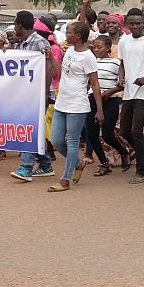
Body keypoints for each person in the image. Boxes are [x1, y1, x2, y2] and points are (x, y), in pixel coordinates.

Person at [46, 21, 104, 192]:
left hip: (77, 104)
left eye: (69, 32)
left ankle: (65, 179)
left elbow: (95, 84)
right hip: (62, 102)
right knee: (56, 140)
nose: (67, 34)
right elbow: (62, 73)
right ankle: (78, 163)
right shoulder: (69, 50)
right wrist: (51, 59)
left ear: (78, 36)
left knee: (72, 142)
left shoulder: (88, 57)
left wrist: (99, 110)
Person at [9, 11, 56, 181]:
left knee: (29, 128)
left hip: (39, 93)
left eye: (15, 25)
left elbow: (49, 67)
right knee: (33, 129)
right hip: (24, 94)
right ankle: (45, 164)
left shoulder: (40, 42)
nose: (14, 28)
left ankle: (26, 167)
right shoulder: (19, 45)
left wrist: (43, 93)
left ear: (20, 25)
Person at [118, 8, 144, 184]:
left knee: (137, 130)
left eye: (138, 23)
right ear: (127, 24)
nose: (135, 26)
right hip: (129, 91)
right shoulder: (124, 41)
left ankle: (140, 171)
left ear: (143, 24)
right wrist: (121, 77)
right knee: (124, 131)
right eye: (132, 23)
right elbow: (122, 63)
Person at [85, 35, 129, 177]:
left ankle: (123, 152)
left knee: (107, 134)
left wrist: (110, 92)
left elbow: (123, 83)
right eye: (94, 47)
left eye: (100, 47)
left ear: (108, 48)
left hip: (110, 100)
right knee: (91, 134)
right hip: (92, 99)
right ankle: (104, 163)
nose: (96, 50)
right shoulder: (91, 62)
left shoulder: (116, 63)